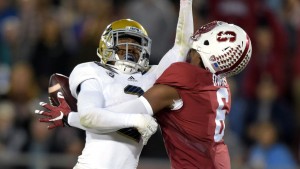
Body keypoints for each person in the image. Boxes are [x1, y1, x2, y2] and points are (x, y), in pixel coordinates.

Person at [35, 0, 194, 169]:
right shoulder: (92, 71)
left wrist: (186, 3)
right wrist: (135, 120)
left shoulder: (151, 75)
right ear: (107, 46)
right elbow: (89, 116)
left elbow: (182, 47)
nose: (130, 50)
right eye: (123, 45)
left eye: (135, 47)